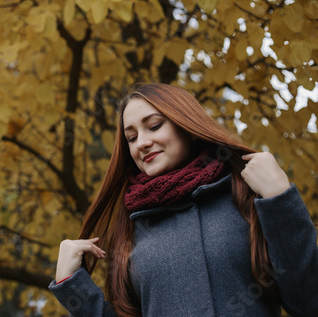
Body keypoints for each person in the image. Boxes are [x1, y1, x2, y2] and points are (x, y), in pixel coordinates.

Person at [48, 84, 318, 317]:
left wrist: (280, 198)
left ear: (187, 125)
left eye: (153, 126)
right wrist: (72, 285)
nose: (141, 142)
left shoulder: (245, 195)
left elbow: (307, 302)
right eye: (131, 137)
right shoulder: (130, 226)